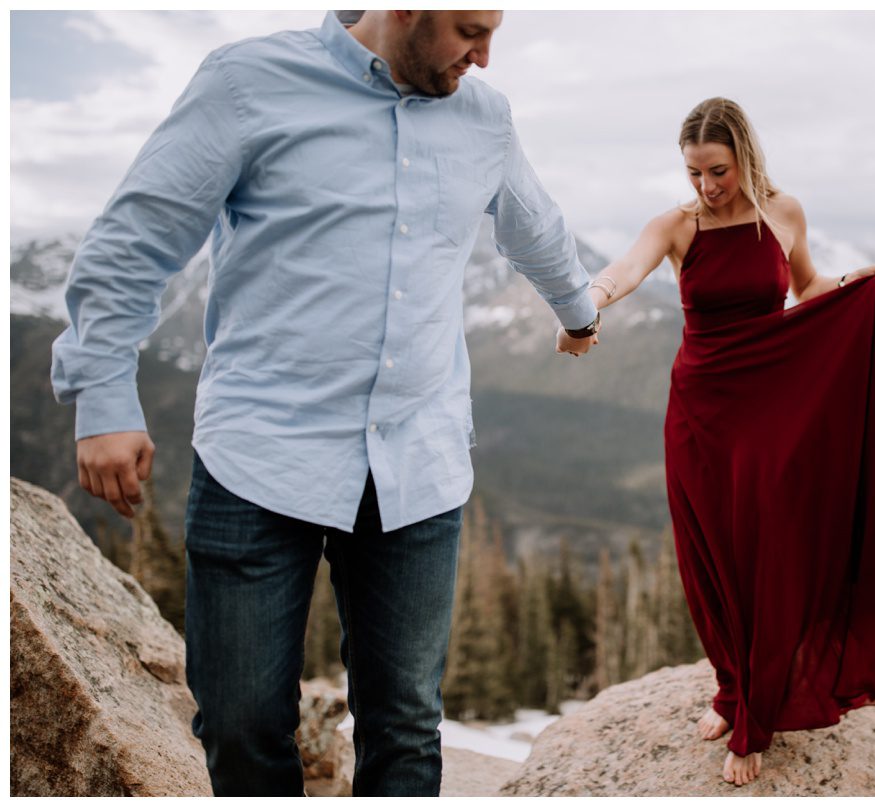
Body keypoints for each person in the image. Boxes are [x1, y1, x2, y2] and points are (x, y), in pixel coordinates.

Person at [50, 10, 601, 797]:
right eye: (469, 30)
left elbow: (533, 223)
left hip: (417, 463)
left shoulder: (485, 116)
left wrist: (578, 311)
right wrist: (104, 394)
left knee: (405, 724)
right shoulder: (247, 81)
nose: (483, 56)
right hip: (259, 455)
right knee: (241, 723)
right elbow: (136, 237)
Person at [582, 97, 875, 786]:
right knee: (711, 557)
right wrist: (589, 301)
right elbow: (625, 270)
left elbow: (806, 287)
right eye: (694, 172)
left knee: (768, 552)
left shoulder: (783, 213)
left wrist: (857, 283)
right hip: (701, 411)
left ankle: (757, 715)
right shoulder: (676, 225)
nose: (706, 186)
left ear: (745, 158)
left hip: (773, 408)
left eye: (718, 171)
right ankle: (733, 687)